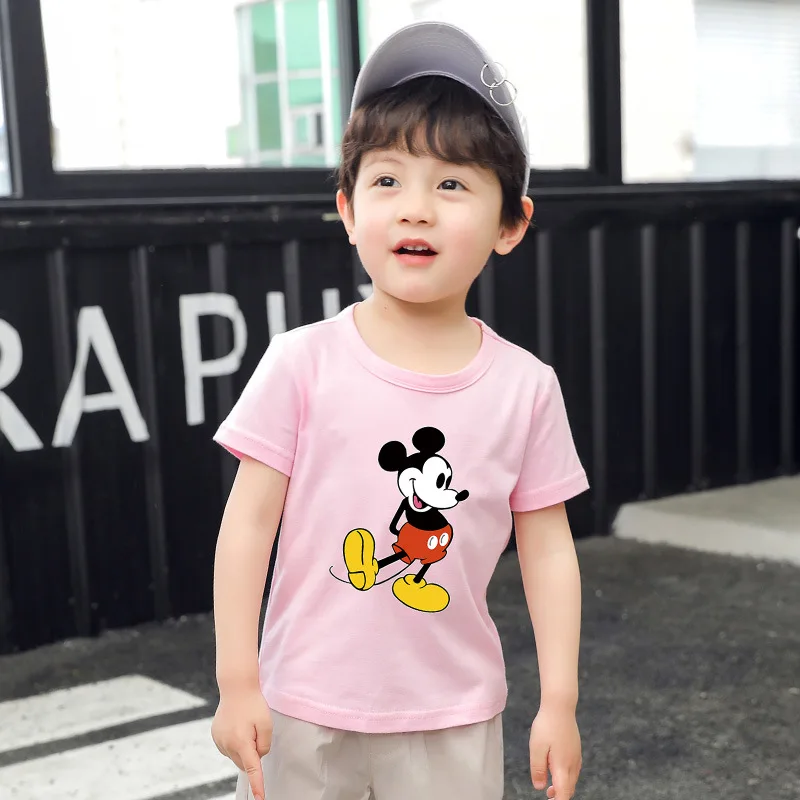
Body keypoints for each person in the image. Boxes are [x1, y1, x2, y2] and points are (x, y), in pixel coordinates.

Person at [211, 20, 588, 800]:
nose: (415, 209)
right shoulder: (300, 363)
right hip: (301, 708)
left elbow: (548, 549)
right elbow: (247, 525)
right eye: (387, 181)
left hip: (454, 716)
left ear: (511, 224)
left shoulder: (526, 387)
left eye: (451, 184)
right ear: (349, 211)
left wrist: (560, 702)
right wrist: (237, 680)